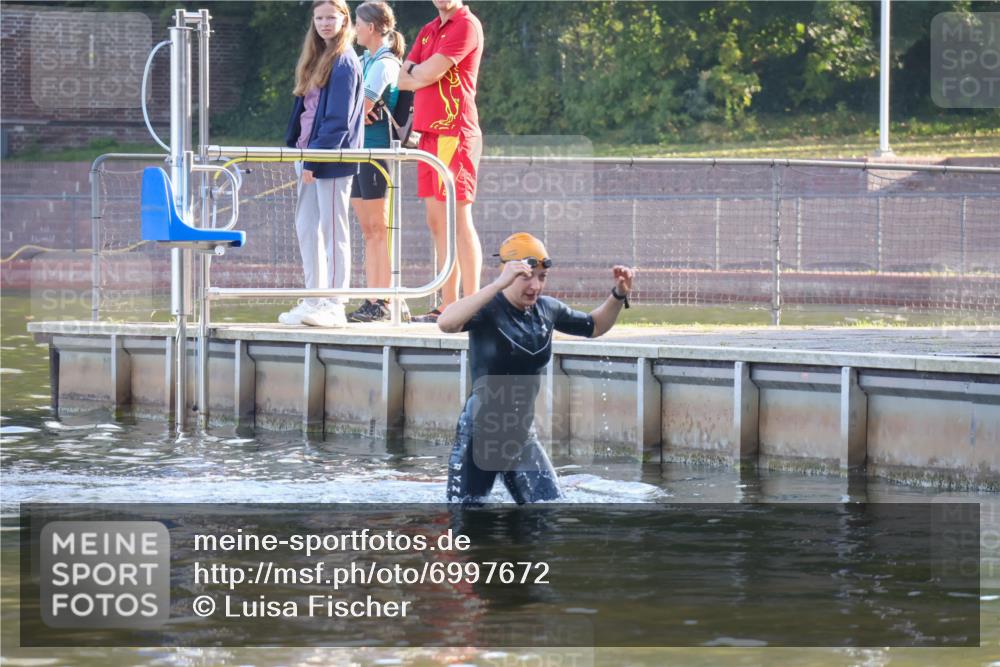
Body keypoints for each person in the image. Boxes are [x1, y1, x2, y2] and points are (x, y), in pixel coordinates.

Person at [437, 233, 635, 504]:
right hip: (479, 438)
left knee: (549, 508)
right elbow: (446, 323)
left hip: (519, 438)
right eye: (526, 276)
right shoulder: (488, 308)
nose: (535, 285)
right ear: (507, 272)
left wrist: (618, 295)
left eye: (542, 277)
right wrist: (497, 285)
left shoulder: (547, 310)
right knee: (468, 516)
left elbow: (595, 326)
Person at [398, 0, 484, 324]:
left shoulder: (465, 24)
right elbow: (403, 78)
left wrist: (418, 73)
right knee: (436, 220)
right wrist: (417, 74)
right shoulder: (427, 30)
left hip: (456, 132)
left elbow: (427, 72)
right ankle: (448, 305)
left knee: (458, 218)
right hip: (429, 136)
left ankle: (472, 306)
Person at [279, 0, 364, 328]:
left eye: (331, 17)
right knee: (306, 227)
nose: (325, 23)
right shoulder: (317, 57)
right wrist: (299, 152)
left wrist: (314, 160)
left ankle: (334, 303)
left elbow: (336, 121)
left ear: (345, 19)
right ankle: (314, 296)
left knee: (333, 229)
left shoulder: (344, 61)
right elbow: (306, 110)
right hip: (307, 157)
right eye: (319, 18)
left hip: (330, 160)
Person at [347, 1, 409, 323]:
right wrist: (357, 110)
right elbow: (351, 106)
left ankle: (382, 300)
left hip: (377, 152)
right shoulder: (364, 59)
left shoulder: (384, 63)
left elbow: (359, 106)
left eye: (357, 23)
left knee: (377, 230)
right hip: (361, 152)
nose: (354, 29)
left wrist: (359, 110)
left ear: (371, 28)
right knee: (368, 230)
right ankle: (373, 297)